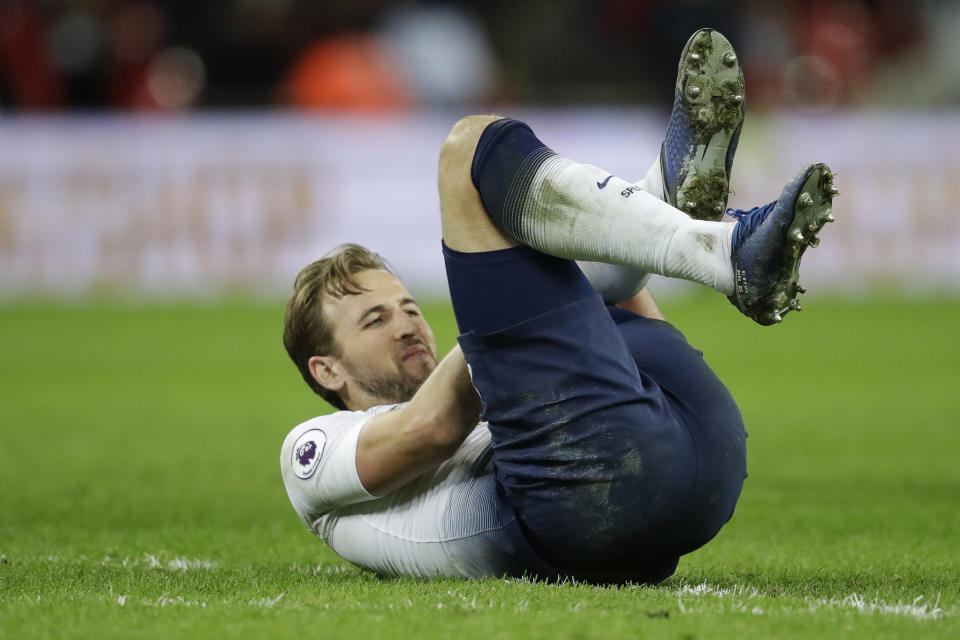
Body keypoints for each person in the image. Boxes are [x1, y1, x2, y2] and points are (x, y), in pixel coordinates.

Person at [279, 29, 837, 583]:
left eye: (406, 307)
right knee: (469, 152)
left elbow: (626, 336)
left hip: (689, 447)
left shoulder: (509, 391)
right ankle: (700, 233)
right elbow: (429, 429)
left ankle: (684, 220)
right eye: (374, 319)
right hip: (583, 501)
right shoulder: (313, 448)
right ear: (326, 369)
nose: (405, 324)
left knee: (553, 257)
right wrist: (488, 327)